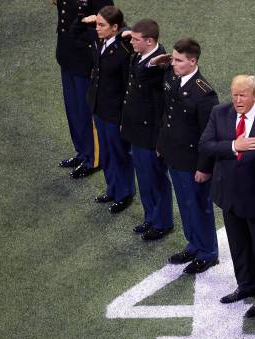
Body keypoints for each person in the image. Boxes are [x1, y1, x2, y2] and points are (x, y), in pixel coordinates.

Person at [199, 75, 255, 318]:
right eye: (234, 94)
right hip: (229, 194)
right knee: (238, 245)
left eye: (243, 95)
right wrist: (233, 146)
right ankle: (245, 285)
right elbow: (206, 145)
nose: (237, 100)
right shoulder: (220, 113)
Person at [148, 39, 219, 273]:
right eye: (173, 59)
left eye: (178, 60)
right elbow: (167, 115)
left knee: (199, 205)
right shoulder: (172, 76)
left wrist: (204, 167)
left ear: (193, 61)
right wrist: (161, 143)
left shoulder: (204, 94)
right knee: (185, 204)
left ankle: (207, 251)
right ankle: (193, 243)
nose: (173, 63)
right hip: (174, 155)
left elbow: (209, 137)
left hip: (192, 162)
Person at [71, 6, 135, 213]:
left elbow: (128, 85)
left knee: (119, 153)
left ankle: (124, 193)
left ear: (115, 27)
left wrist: (127, 30)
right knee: (106, 152)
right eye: (97, 24)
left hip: (115, 112)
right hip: (98, 107)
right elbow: (74, 34)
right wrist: (82, 19)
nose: (97, 28)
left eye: (101, 25)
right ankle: (112, 188)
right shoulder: (99, 40)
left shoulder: (125, 49)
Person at [119, 19, 174, 238]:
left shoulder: (159, 63)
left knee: (156, 179)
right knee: (144, 178)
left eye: (135, 39)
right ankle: (150, 217)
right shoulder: (141, 55)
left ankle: (163, 223)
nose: (131, 42)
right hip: (137, 131)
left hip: (151, 134)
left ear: (149, 41)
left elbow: (144, 75)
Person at [54, 0, 112, 178]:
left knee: (86, 111)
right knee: (73, 110)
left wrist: (96, 62)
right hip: (67, 54)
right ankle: (82, 153)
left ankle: (93, 159)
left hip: (85, 59)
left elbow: (106, 27)